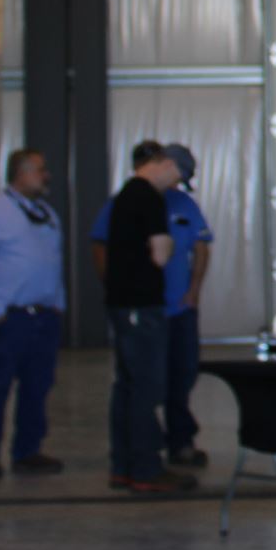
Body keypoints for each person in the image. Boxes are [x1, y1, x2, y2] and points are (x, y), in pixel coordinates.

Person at [0, 148, 67, 478]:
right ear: (20, 174)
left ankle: (28, 450)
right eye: (40, 170)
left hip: (43, 316)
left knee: (37, 386)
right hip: (8, 318)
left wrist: (57, 305)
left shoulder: (46, 214)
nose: (46, 176)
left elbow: (53, 261)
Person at [104, 141, 192, 496]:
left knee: (126, 386)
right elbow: (159, 254)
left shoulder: (126, 195)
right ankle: (146, 468)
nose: (176, 185)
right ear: (167, 164)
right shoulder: (149, 197)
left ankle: (123, 466)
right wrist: (168, 245)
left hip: (123, 304)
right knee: (146, 388)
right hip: (142, 305)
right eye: (179, 176)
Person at [160, 143, 213, 468]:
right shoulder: (133, 201)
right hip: (147, 311)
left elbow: (202, 247)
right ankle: (146, 444)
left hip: (180, 308)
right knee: (145, 381)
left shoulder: (184, 204)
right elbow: (102, 247)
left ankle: (180, 440)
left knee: (183, 374)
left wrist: (193, 290)